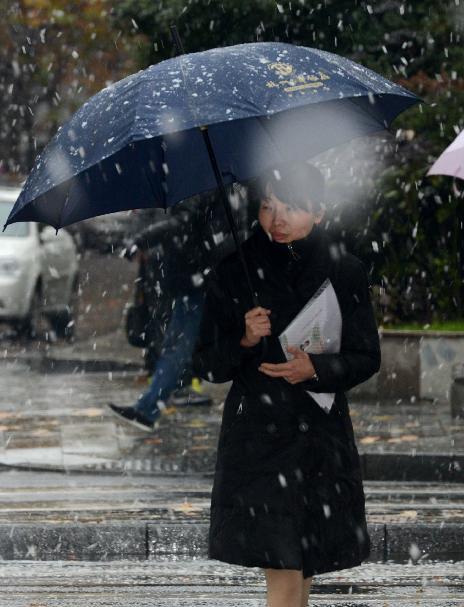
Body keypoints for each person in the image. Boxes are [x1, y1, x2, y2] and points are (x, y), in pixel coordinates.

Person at [192, 163, 379, 607]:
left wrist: (315, 369)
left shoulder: (345, 271)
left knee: (304, 553)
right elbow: (206, 363)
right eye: (268, 206)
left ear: (318, 211)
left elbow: (366, 356)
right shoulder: (233, 271)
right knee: (281, 556)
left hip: (319, 433)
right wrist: (243, 339)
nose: (277, 219)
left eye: (292, 207)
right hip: (259, 434)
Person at [108, 199, 217, 431]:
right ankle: (148, 408)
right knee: (174, 347)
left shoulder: (195, 187)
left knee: (176, 349)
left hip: (194, 280)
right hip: (188, 281)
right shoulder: (190, 186)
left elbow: (181, 223)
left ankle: (147, 410)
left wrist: (141, 241)